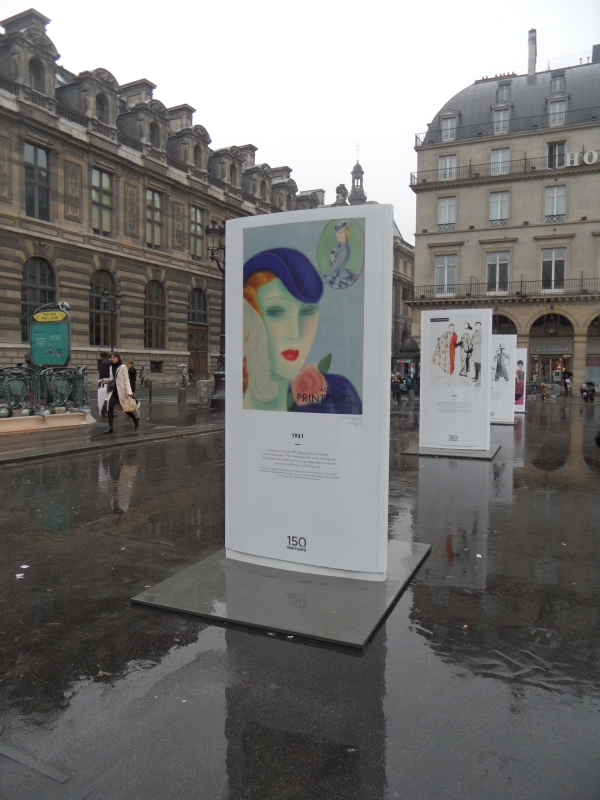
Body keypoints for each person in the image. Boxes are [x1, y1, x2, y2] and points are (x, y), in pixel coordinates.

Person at [243, 247, 362, 414]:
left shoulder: (338, 394)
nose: (296, 334)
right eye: (275, 312)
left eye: (307, 312)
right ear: (249, 318)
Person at [101, 352, 138, 434]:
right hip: (113, 391)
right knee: (110, 408)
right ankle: (110, 427)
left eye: (114, 358)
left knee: (126, 409)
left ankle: (135, 419)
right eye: (111, 358)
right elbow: (112, 379)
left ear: (118, 358)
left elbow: (126, 379)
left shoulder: (123, 367)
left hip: (121, 391)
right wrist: (105, 381)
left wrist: (129, 391)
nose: (112, 359)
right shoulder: (111, 367)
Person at [322, 220, 356, 289]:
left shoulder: (344, 248)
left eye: (340, 232)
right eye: (336, 232)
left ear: (346, 232)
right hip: (338, 273)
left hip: (339, 276)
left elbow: (337, 266)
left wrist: (332, 257)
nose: (337, 235)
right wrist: (333, 257)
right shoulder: (341, 246)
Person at [98, 351, 111, 418]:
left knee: (104, 397)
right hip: (108, 380)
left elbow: (102, 373)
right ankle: (107, 411)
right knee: (107, 396)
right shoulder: (108, 362)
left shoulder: (103, 363)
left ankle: (105, 411)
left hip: (104, 381)